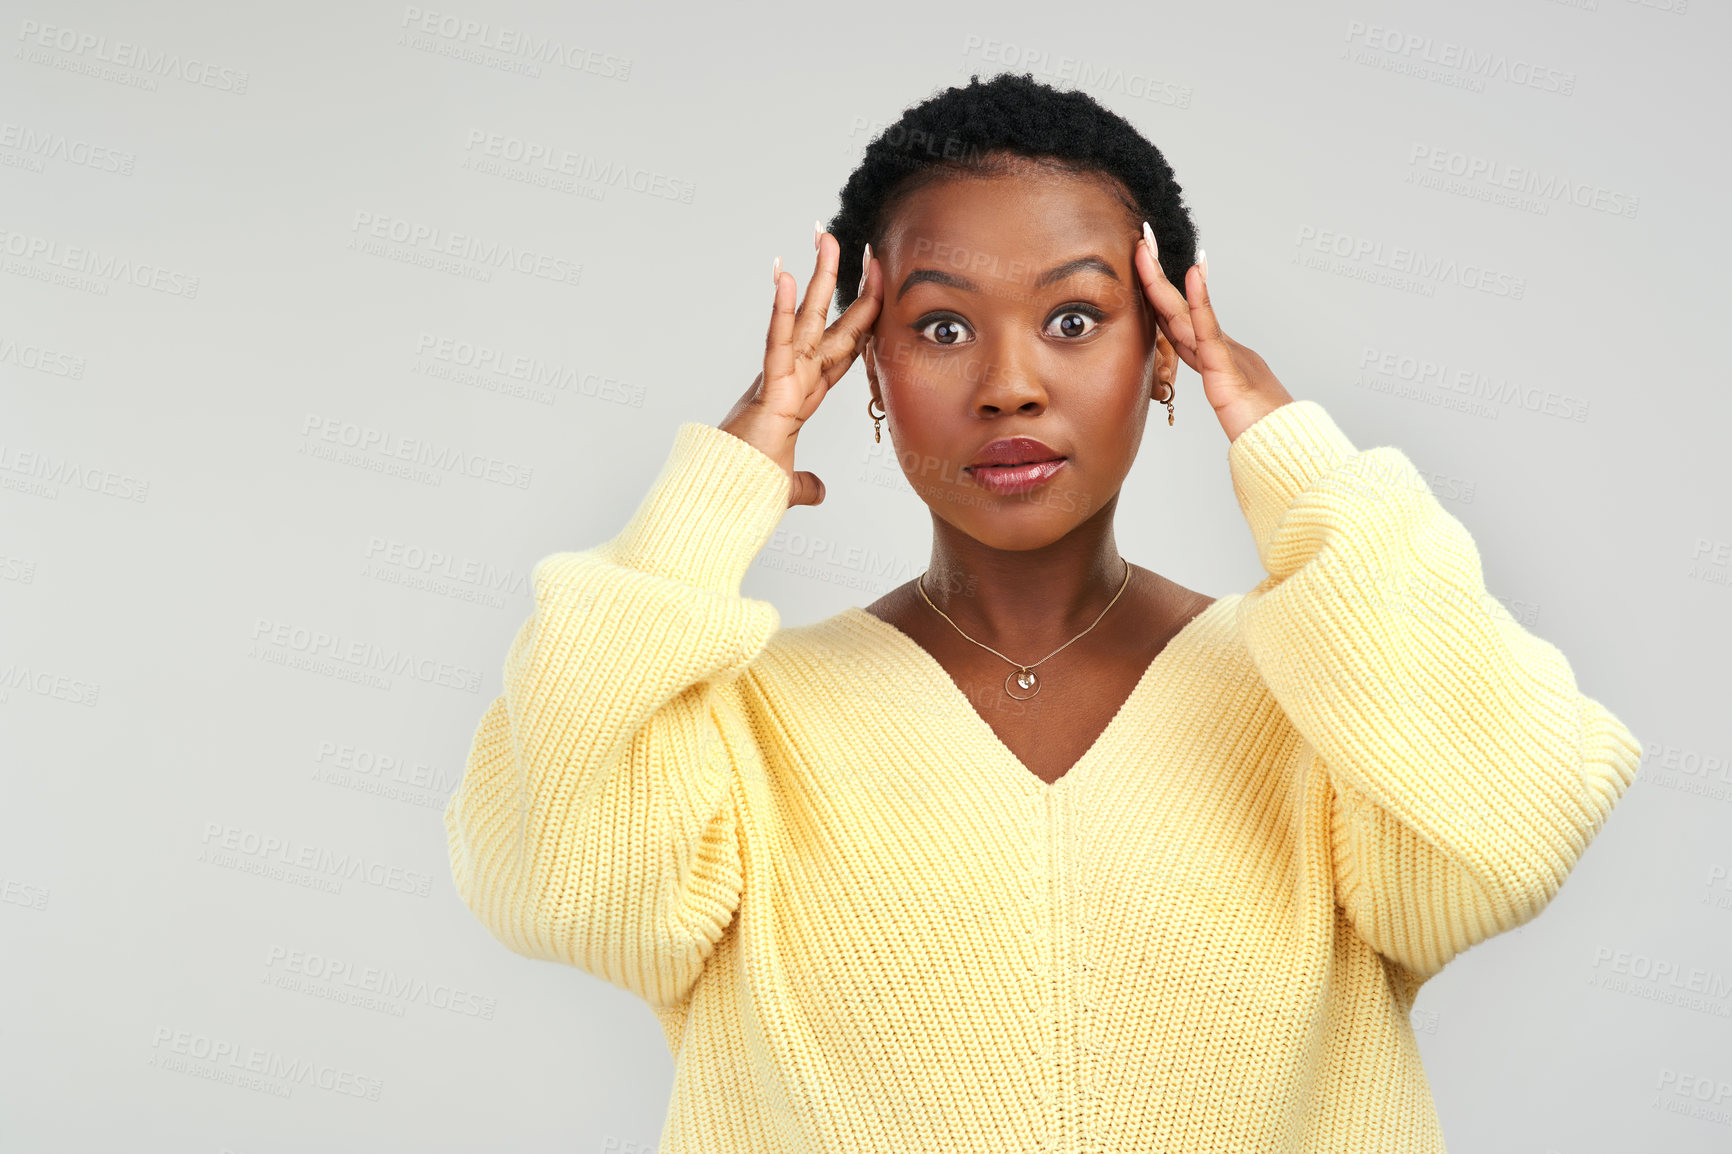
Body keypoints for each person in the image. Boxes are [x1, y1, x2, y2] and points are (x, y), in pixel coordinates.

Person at [443, 72, 1641, 1152]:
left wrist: (1295, 456)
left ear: (1165, 350)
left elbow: (1512, 825)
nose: (1010, 381)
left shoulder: (1320, 702)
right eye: (941, 325)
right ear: (869, 369)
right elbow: (560, 880)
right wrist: (711, 494)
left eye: (1075, 318)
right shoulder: (751, 726)